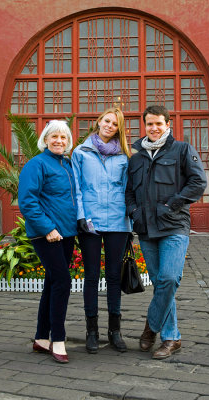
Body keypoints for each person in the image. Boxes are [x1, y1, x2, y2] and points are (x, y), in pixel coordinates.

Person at [125, 105, 207, 359]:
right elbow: (128, 191)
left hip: (174, 226)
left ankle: (151, 326)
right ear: (145, 126)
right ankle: (171, 338)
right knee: (161, 283)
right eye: (149, 124)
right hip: (146, 229)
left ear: (168, 124)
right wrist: (134, 212)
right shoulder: (136, 157)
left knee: (170, 278)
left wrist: (173, 204)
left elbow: (198, 182)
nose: (153, 128)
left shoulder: (181, 150)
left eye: (158, 123)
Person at [71, 107, 131, 354]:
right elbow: (76, 187)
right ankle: (92, 331)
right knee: (92, 276)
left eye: (115, 124)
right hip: (91, 222)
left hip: (118, 222)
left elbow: (129, 190)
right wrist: (81, 216)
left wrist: (131, 221)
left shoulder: (125, 156)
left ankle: (115, 331)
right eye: (107, 121)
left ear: (119, 129)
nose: (109, 126)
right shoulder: (80, 152)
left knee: (115, 276)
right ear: (98, 122)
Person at [18, 120, 77, 364]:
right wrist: (48, 228)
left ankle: (41, 339)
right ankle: (58, 339)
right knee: (62, 281)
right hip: (47, 234)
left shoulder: (68, 164)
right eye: (54, 136)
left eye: (63, 138)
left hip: (67, 232)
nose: (59, 141)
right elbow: (27, 201)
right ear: (45, 139)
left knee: (52, 283)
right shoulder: (37, 164)